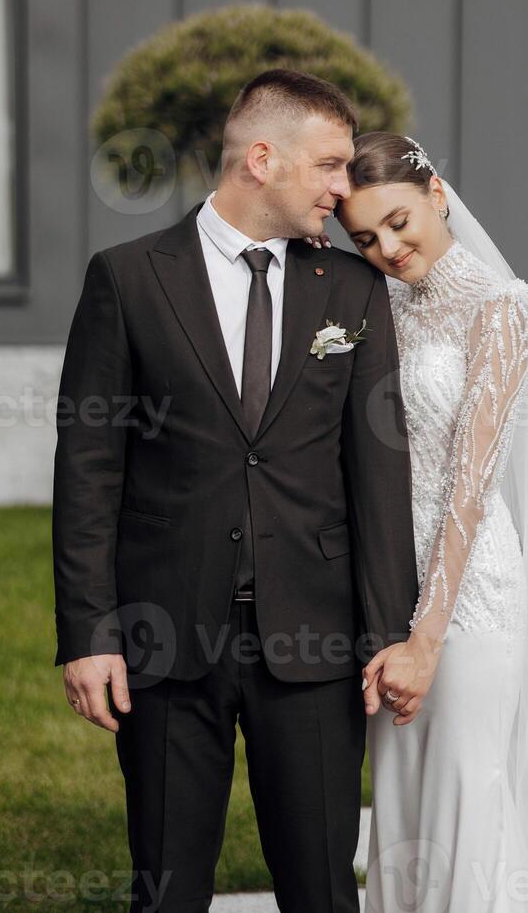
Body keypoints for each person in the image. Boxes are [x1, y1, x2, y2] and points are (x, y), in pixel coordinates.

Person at [52, 72, 420, 912]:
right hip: (166, 639)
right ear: (262, 158)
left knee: (323, 889)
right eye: (329, 164)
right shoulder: (127, 278)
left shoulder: (353, 289)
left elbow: (377, 469)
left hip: (316, 644)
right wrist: (88, 634)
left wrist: (389, 631)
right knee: (168, 889)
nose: (344, 185)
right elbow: (87, 471)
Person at [327, 132, 528, 912]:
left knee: (468, 797)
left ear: (436, 194)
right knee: (401, 808)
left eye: (398, 221)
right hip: (382, 587)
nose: (388, 248)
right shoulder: (377, 305)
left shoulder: (500, 307)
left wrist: (427, 636)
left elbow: (471, 484)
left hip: (466, 595)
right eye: (365, 238)